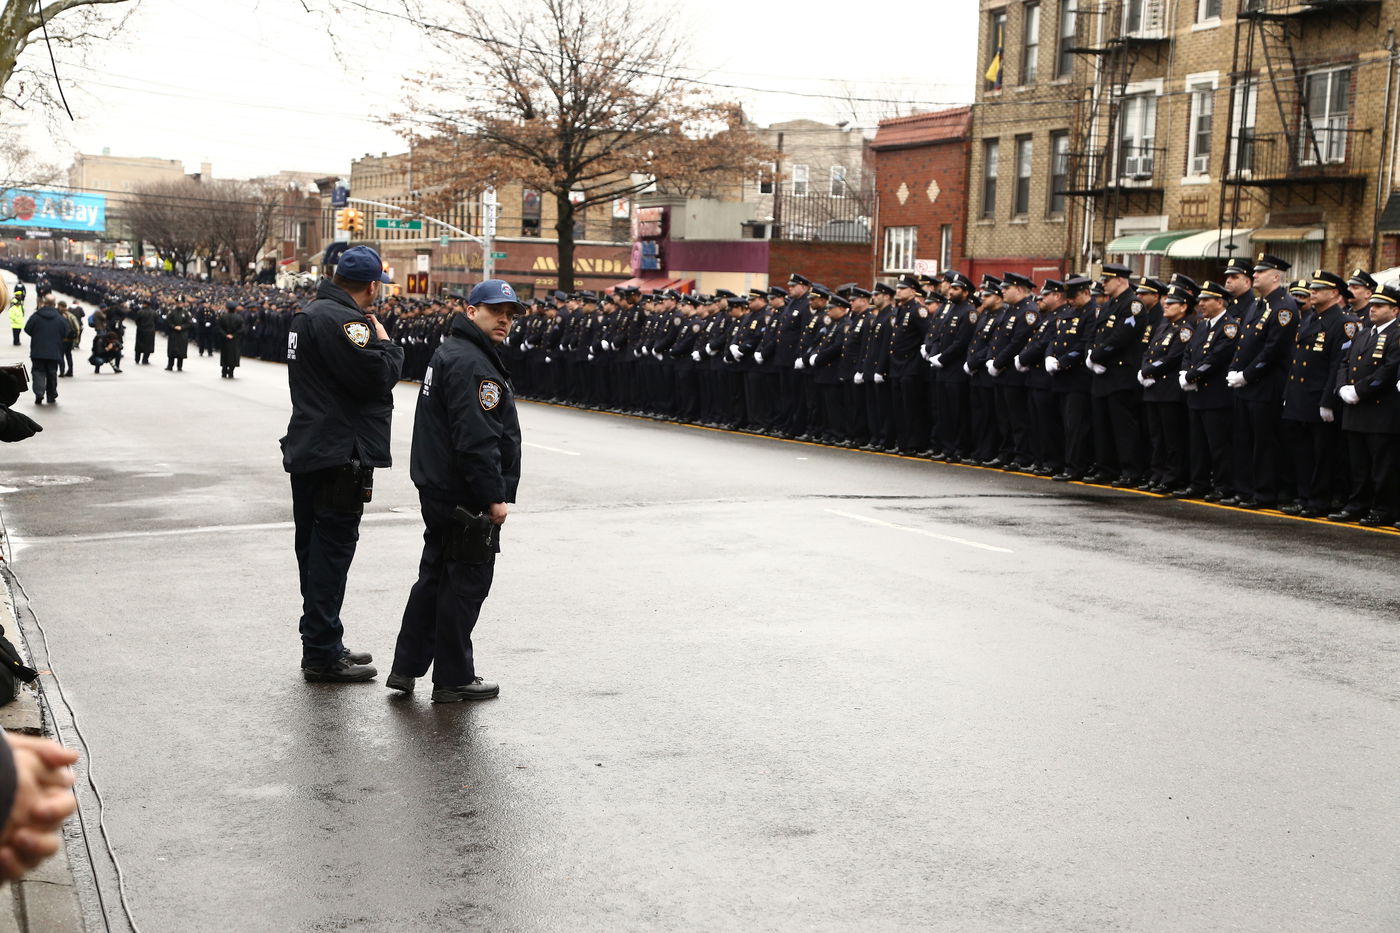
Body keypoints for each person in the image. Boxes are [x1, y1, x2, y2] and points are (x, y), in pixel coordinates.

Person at [388, 280, 522, 702]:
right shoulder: (474, 364)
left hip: (441, 488)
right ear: (471, 311)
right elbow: (476, 440)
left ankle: (407, 667)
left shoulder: (452, 351)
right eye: (495, 310)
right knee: (464, 585)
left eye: (511, 312)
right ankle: (453, 677)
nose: (505, 319)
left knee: (434, 579)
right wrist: (494, 496)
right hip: (464, 496)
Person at [281, 247, 404, 683]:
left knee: (313, 552)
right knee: (330, 554)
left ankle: (323, 640)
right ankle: (320, 654)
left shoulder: (310, 313)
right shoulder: (346, 321)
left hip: (312, 449)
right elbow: (376, 375)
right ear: (372, 285)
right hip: (338, 453)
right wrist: (388, 345)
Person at [23, 292, 74, 406]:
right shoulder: (60, 319)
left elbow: (27, 329)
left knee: (38, 372)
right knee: (52, 373)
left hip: (37, 351)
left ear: (44, 303)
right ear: (54, 304)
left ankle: (39, 393)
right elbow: (66, 332)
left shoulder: (36, 316)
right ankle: (51, 395)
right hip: (54, 351)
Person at [216, 302, 245, 378]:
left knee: (225, 355)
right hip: (234, 340)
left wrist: (226, 335)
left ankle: (224, 371)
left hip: (225, 339)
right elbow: (242, 329)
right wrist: (234, 335)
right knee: (234, 355)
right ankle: (231, 371)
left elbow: (219, 328)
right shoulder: (239, 317)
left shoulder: (223, 317)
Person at [164, 301, 193, 371]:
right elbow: (168, 321)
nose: (179, 304)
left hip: (182, 334)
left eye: (181, 303)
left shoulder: (186, 313)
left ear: (183, 303)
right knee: (172, 350)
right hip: (173, 333)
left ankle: (179, 366)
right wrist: (173, 327)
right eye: (178, 303)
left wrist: (182, 327)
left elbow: (189, 323)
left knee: (181, 350)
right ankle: (170, 365)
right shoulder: (172, 312)